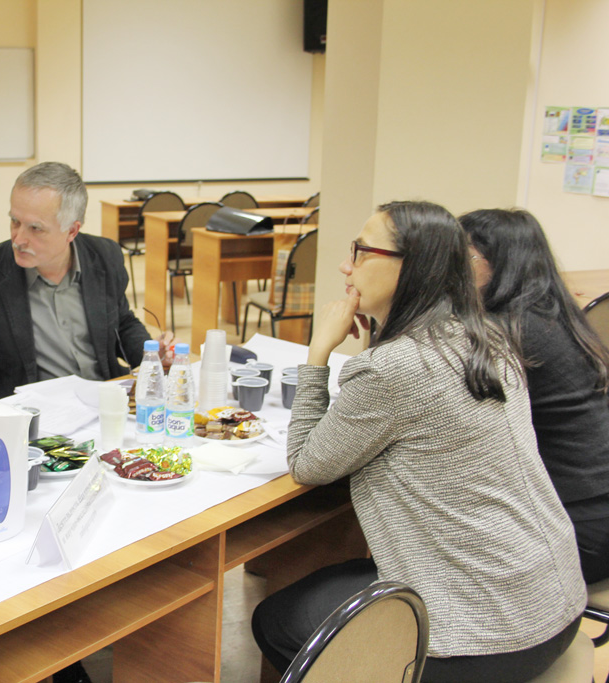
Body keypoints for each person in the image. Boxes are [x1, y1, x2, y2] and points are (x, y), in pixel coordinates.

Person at [251, 201, 585, 683]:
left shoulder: (395, 368)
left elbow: (306, 463)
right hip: (551, 603)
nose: (346, 266)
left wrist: (318, 353)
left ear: (412, 267)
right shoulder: (487, 337)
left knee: (277, 619)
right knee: (333, 580)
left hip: (484, 636)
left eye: (361, 251)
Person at [461, 208, 609, 584]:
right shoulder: (553, 313)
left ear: (498, 264)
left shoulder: (507, 332)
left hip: (577, 531)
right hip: (595, 514)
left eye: (463, 257)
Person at [0, 161, 167, 400]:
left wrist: (151, 357)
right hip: (32, 411)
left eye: (35, 229)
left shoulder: (105, 256)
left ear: (72, 231)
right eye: (15, 221)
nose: (19, 239)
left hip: (103, 398)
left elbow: (122, 323)